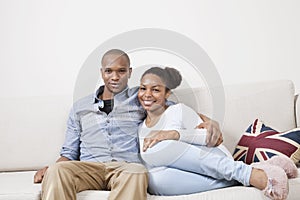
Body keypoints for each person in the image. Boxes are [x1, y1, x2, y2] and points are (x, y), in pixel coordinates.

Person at [33, 49, 224, 200]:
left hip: (126, 168)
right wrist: (51, 169)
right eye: (109, 71)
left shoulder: (140, 97)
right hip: (89, 167)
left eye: (121, 71)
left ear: (129, 72)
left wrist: (210, 122)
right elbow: (68, 153)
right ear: (102, 73)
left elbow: (173, 108)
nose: (115, 77)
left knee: (138, 172)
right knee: (57, 170)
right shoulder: (80, 107)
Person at [137, 66, 298, 200]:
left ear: (167, 94)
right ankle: (250, 174)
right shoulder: (140, 127)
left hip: (217, 159)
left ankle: (245, 173)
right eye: (143, 88)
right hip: (188, 173)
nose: (147, 94)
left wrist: (175, 134)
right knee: (153, 180)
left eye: (156, 90)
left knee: (158, 146)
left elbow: (212, 138)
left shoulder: (178, 110)